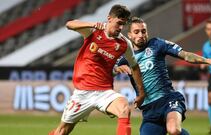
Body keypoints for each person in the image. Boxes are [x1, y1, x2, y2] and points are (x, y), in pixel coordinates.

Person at [115, 17, 211, 135]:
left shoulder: (157, 44)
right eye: (136, 32)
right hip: (149, 109)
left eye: (144, 31)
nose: (141, 35)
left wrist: (207, 61)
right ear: (130, 35)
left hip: (169, 99)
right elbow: (109, 68)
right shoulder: (125, 56)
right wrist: (117, 68)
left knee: (173, 129)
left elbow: (185, 55)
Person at [49, 5, 145, 135]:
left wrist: (140, 93)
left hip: (104, 92)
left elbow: (134, 66)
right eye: (119, 23)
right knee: (62, 132)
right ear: (109, 19)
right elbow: (69, 24)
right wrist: (92, 24)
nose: (121, 28)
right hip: (82, 93)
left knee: (124, 109)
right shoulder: (93, 31)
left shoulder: (124, 44)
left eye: (123, 24)